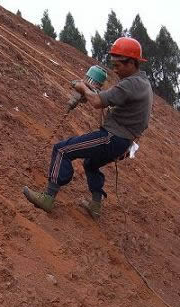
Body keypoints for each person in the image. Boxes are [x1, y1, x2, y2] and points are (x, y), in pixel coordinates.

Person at [23, 37, 153, 219]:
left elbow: (97, 101)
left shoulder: (130, 84)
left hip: (113, 138)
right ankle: (95, 206)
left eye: (118, 65)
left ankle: (48, 197)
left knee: (62, 149)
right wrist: (92, 91)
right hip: (122, 141)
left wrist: (83, 88)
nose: (114, 69)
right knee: (91, 164)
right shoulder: (142, 83)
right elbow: (108, 99)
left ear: (131, 62)